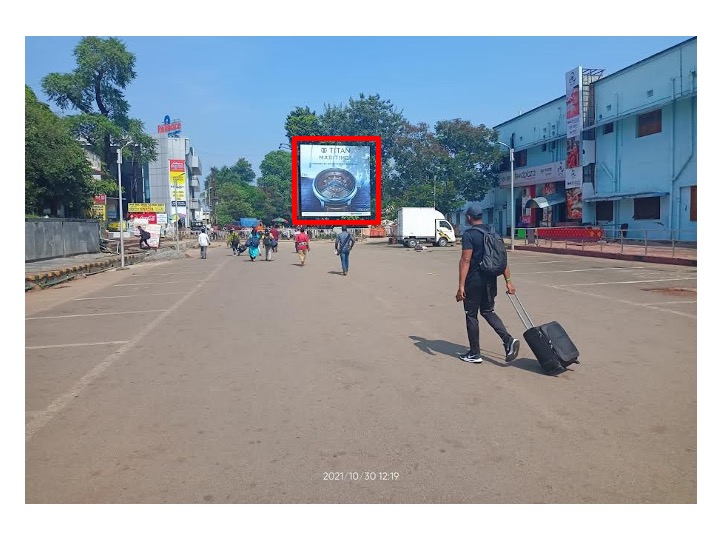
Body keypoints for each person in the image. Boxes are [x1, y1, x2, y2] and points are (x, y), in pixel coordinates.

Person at [455, 203, 520, 364]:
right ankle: (508, 340)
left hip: (474, 282)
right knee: (488, 311)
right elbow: (502, 260)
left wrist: (461, 286)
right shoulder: (493, 233)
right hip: (491, 281)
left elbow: (465, 260)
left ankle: (474, 353)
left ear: (469, 217)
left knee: (471, 315)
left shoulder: (469, 235)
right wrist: (509, 282)